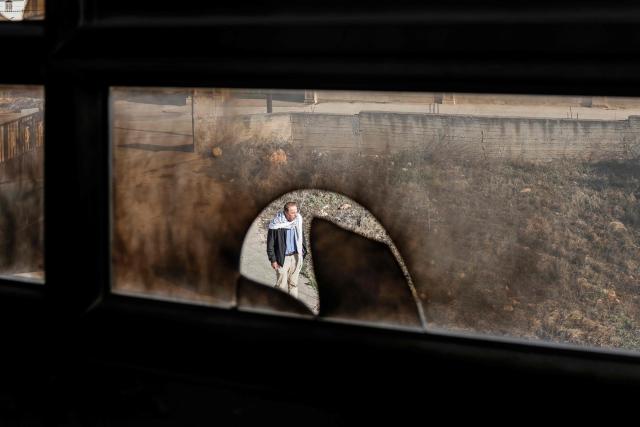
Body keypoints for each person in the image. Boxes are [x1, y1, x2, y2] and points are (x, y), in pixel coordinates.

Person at [266, 201, 307, 299]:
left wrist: (303, 251)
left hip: (296, 256)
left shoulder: (297, 221)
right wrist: (273, 259)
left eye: (296, 211)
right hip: (282, 258)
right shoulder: (276, 224)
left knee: (293, 284)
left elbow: (302, 237)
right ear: (285, 212)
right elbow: (270, 244)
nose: (295, 214)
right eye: (292, 212)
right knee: (281, 284)